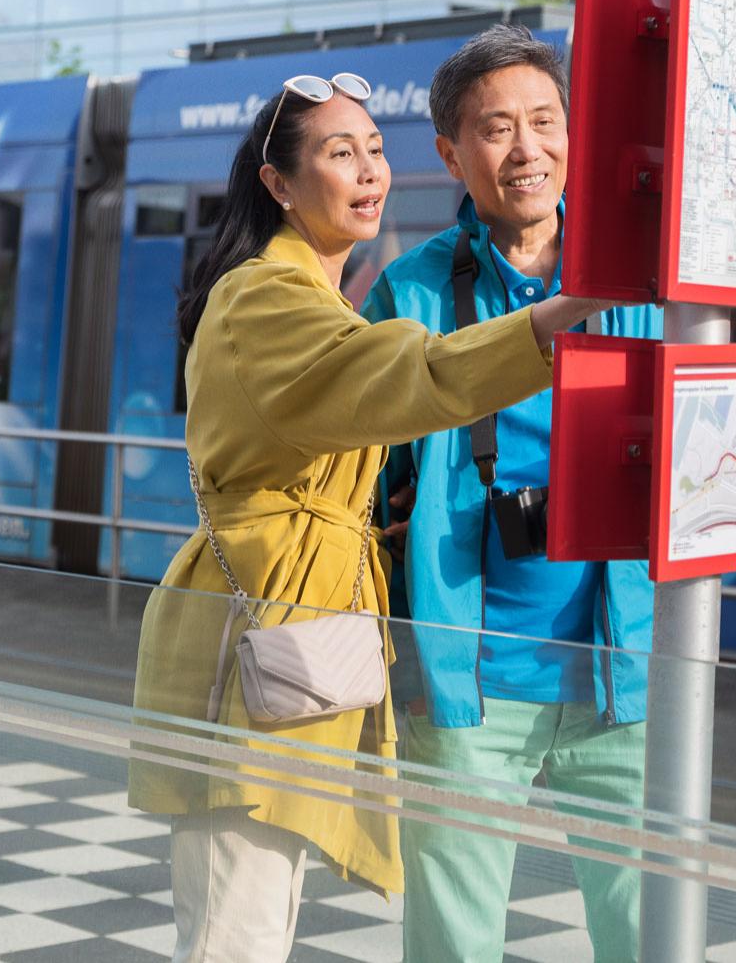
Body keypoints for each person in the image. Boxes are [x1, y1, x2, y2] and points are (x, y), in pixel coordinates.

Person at [128, 71, 615, 963]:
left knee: (252, 924)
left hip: (297, 649)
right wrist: (553, 324)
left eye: (374, 150)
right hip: (255, 651)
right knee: (234, 935)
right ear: (278, 183)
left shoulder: (309, 292)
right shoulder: (266, 296)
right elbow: (399, 376)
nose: (367, 172)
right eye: (337, 153)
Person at [362, 25, 662, 962]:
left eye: (544, 120)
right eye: (496, 129)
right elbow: (357, 480)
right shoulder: (407, 295)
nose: (526, 148)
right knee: (453, 945)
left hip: (630, 671)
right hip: (466, 686)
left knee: (652, 935)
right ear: (452, 153)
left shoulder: (643, 282)